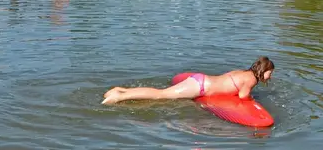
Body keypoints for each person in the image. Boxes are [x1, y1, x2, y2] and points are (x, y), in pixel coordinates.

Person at [102, 57, 274, 105]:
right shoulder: (251, 80)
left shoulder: (243, 72)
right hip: (200, 87)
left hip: (200, 79)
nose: (270, 76)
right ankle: (119, 96)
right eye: (270, 73)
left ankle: (121, 90)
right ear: (264, 70)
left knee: (161, 93)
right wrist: (253, 100)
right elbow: (243, 97)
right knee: (160, 95)